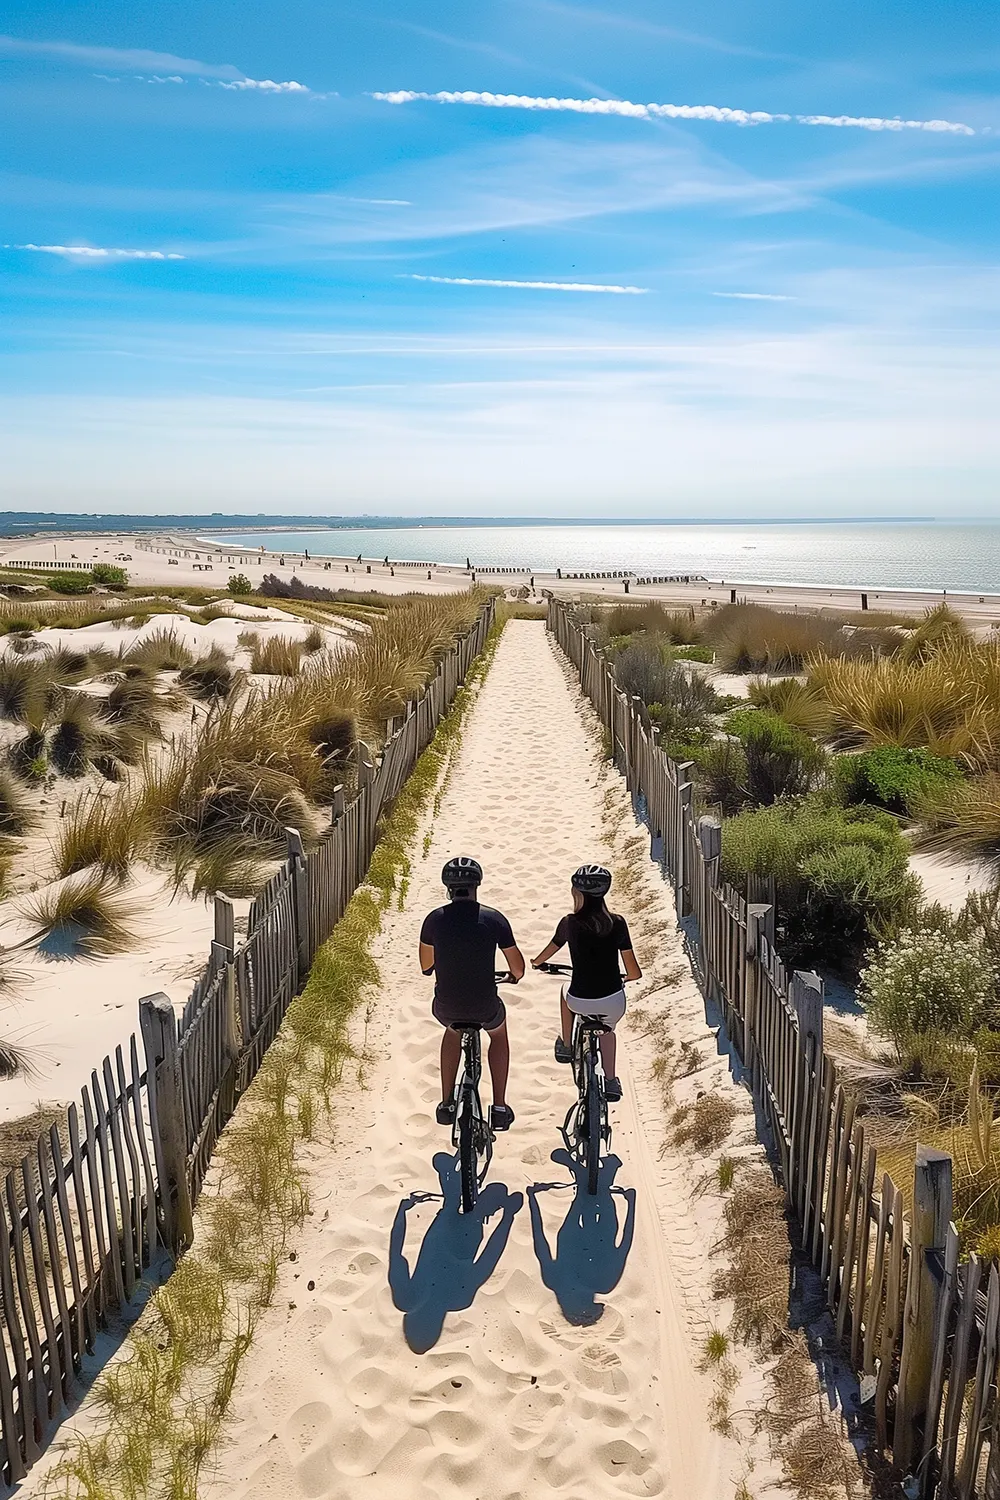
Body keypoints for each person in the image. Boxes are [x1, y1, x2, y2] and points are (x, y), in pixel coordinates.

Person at [419, 857, 524, 1131]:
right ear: (476, 884)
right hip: (484, 1006)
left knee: (452, 1031)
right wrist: (511, 976)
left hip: (447, 1006)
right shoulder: (493, 919)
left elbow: (426, 966)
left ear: (448, 888)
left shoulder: (434, 920)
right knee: (498, 1034)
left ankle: (446, 1103)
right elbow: (519, 968)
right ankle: (499, 1107)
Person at [531, 865, 641, 1102]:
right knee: (608, 1031)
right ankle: (611, 1081)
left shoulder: (569, 923)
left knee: (564, 991)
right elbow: (634, 972)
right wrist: (626, 978)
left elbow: (546, 953)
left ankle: (567, 1044)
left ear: (577, 892)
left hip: (579, 1000)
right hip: (612, 1001)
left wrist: (537, 963)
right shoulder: (617, 923)